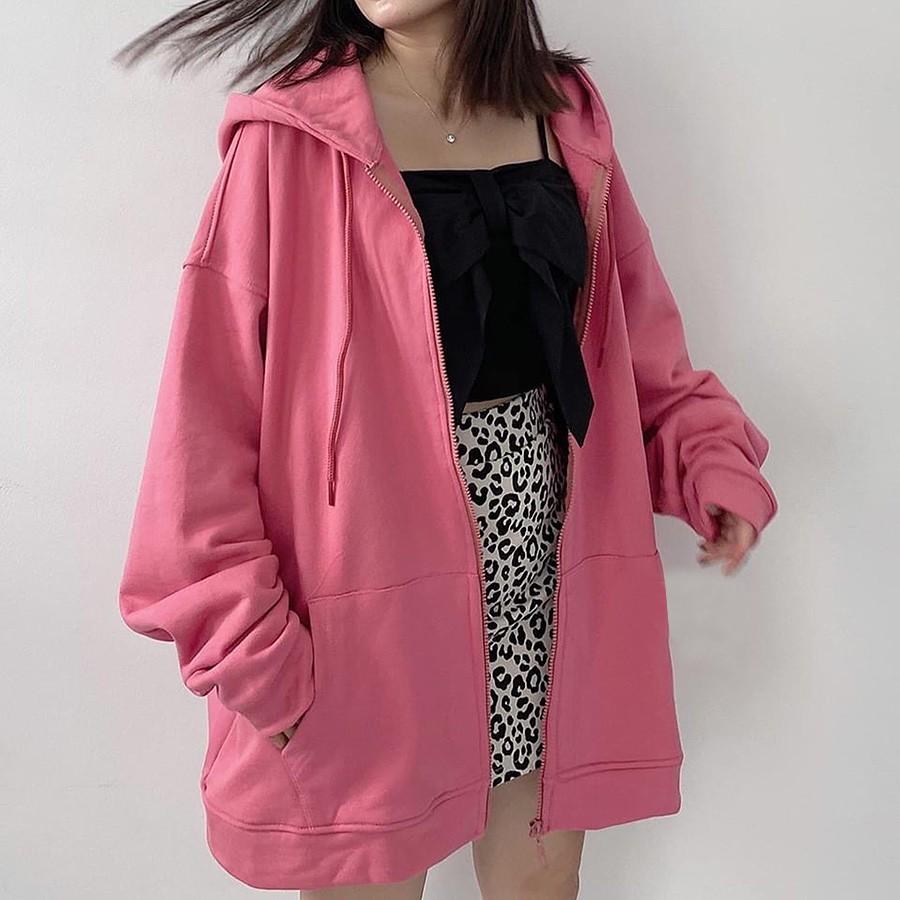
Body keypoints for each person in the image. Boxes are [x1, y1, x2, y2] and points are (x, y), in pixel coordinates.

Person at [114, 2, 778, 897]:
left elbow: (634, 341)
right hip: (362, 609)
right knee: (371, 881)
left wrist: (708, 464)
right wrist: (252, 654)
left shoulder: (564, 117)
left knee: (539, 882)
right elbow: (202, 428)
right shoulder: (292, 140)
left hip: (547, 577)